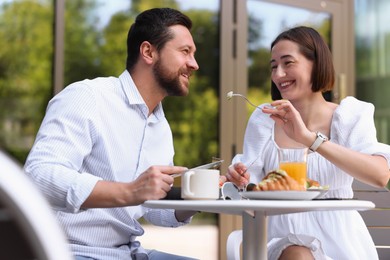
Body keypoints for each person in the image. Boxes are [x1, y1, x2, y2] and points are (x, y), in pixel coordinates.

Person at [24, 7, 200, 260]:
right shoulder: (88, 97)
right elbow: (39, 175)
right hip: (67, 251)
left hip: (126, 252)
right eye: (185, 52)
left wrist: (197, 196)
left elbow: (154, 210)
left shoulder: (160, 125)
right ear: (149, 52)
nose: (194, 64)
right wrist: (130, 191)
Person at [225, 26, 390, 259]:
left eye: (288, 63)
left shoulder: (351, 115)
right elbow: (251, 195)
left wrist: (309, 139)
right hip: (279, 238)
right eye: (273, 66)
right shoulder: (264, 119)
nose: (278, 74)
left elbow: (380, 175)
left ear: (316, 63)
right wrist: (240, 181)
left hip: (340, 241)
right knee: (297, 253)